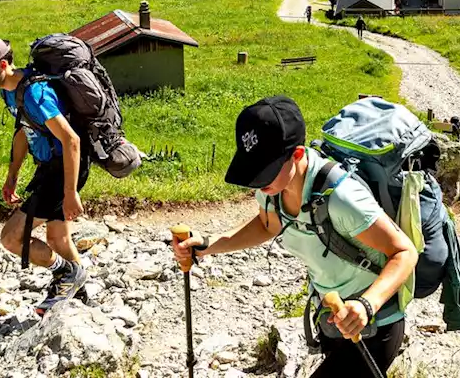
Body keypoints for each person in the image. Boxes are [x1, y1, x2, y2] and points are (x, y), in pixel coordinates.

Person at [172, 97, 418, 377]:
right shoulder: (273, 189)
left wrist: (366, 305)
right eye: (255, 171)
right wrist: (207, 246)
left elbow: (404, 252)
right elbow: (267, 226)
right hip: (333, 320)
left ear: (298, 155)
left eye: (265, 173)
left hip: (375, 326)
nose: (259, 185)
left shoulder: (342, 198)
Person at [0, 37, 91, 314]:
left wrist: (69, 192)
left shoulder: (35, 93)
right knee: (58, 239)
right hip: (48, 167)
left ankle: (67, 273)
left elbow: (72, 141)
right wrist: (12, 175)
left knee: (11, 238)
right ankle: (80, 302)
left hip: (64, 168)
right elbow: (22, 132)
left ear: (2, 65)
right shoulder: (10, 90)